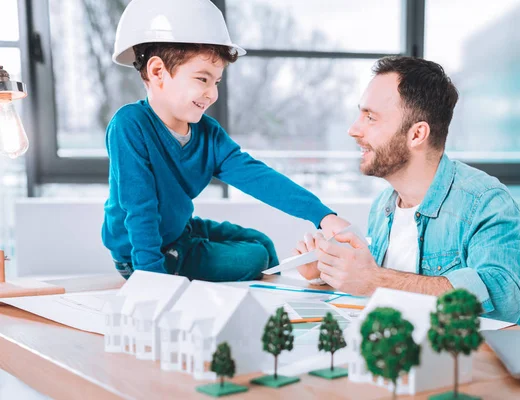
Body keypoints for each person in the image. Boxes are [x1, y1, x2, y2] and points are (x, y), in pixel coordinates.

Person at [102, 0, 348, 282]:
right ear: (158, 72)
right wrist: (152, 282)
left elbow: (258, 177)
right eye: (202, 79)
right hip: (143, 253)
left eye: (216, 82)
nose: (212, 94)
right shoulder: (129, 125)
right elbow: (140, 209)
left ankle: (271, 293)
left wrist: (322, 215)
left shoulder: (208, 133)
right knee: (254, 258)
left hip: (180, 232)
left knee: (262, 243)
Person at [296, 56, 520, 324]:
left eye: (370, 117)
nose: (353, 129)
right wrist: (326, 272)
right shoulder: (383, 206)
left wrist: (374, 280)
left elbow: (504, 299)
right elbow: (382, 290)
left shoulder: (486, 202)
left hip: (463, 362)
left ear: (417, 134)